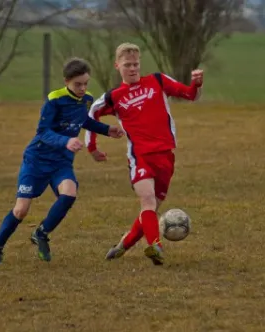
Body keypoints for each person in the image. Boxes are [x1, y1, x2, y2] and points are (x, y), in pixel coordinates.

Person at [0, 58, 124, 264]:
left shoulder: (86, 99)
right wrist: (66, 141)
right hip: (37, 160)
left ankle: (41, 233)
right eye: (78, 84)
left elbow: (82, 120)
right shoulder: (54, 100)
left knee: (69, 193)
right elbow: (43, 132)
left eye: (86, 83)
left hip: (61, 162)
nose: (83, 88)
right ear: (66, 81)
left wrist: (106, 129)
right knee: (21, 210)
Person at [84, 43, 204, 265]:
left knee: (152, 209)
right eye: (127, 65)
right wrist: (92, 147)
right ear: (117, 65)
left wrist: (196, 84)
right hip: (140, 156)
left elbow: (189, 95)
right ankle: (155, 246)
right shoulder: (114, 96)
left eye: (136, 64)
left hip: (165, 156)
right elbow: (90, 115)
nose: (132, 69)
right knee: (147, 200)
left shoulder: (157, 81)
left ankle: (124, 245)